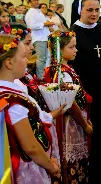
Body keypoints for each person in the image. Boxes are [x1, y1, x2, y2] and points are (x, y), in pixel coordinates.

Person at [0, 34, 61, 183]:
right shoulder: (13, 102)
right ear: (9, 63)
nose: (27, 60)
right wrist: (50, 166)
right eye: (23, 57)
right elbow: (31, 147)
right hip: (26, 167)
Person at [69, 0, 101, 183]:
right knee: (89, 136)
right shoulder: (72, 33)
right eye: (89, 10)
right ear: (80, 10)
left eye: (97, 9)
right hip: (84, 95)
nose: (94, 14)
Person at [44, 31, 93, 184]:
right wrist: (84, 125)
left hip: (75, 120)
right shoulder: (61, 73)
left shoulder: (65, 69)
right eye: (71, 47)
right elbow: (70, 104)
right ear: (59, 49)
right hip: (70, 123)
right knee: (71, 164)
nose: (75, 50)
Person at [25, 0, 54, 79]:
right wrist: (45, 24)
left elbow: (43, 23)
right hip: (38, 38)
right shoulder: (30, 13)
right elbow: (31, 26)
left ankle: (46, 76)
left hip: (44, 37)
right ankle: (41, 78)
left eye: (37, 0)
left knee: (46, 58)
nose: (37, 2)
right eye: (34, 0)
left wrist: (48, 26)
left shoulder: (38, 11)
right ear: (30, 3)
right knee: (41, 59)